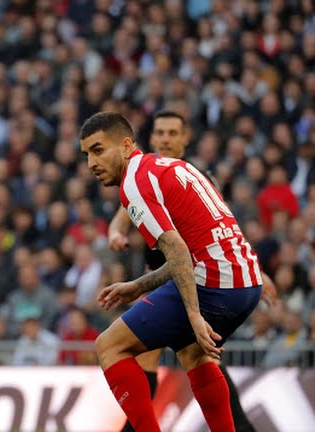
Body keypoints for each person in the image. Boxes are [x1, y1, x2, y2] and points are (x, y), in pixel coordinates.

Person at [80, 112, 263, 432]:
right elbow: (194, 249)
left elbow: (178, 251)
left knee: (109, 345)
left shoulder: (135, 183)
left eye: (98, 150)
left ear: (126, 146)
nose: (91, 163)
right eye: (86, 155)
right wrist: (138, 286)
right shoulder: (174, 167)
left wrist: (194, 314)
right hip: (246, 283)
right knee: (192, 352)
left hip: (214, 286)